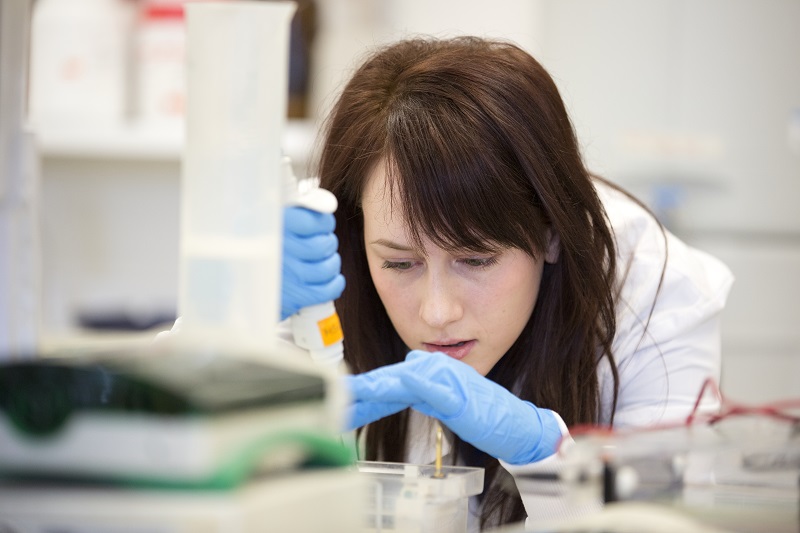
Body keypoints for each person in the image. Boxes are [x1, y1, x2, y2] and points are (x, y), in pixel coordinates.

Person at [285, 36, 733, 530]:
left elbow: (657, 524)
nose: (437, 312)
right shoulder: (326, 274)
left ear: (551, 235)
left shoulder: (655, 295)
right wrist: (245, 317)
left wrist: (548, 460)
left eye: (475, 259)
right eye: (399, 264)